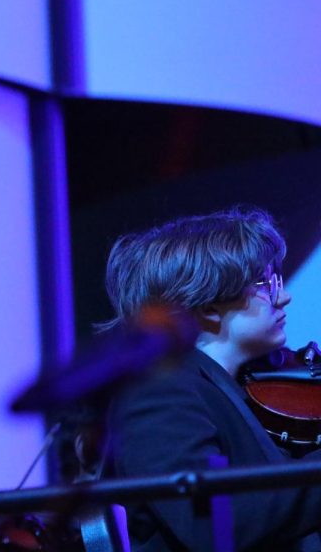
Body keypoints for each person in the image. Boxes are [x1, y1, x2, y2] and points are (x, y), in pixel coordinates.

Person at [103, 206, 321, 551]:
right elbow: (210, 525)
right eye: (265, 283)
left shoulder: (243, 387)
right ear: (207, 308)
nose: (283, 296)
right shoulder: (157, 392)